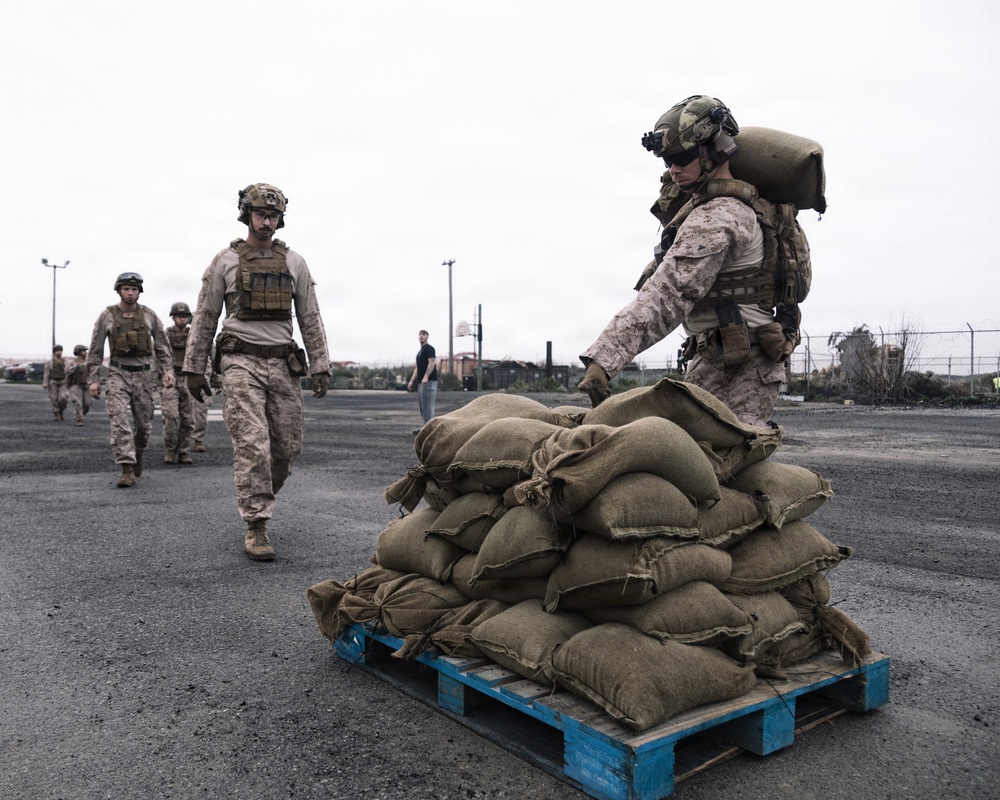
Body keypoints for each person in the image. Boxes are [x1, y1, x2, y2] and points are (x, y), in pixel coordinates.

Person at [578, 95, 791, 427]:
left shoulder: (721, 216)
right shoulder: (704, 209)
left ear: (717, 147)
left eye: (683, 158)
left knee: (713, 468)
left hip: (742, 372)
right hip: (717, 361)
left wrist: (605, 359)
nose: (674, 169)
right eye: (667, 161)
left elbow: (669, 293)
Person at [182, 182, 331, 562]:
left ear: (281, 219)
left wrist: (321, 365)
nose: (266, 221)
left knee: (285, 449)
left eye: (273, 215)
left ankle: (258, 496)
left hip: (282, 363)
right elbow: (205, 315)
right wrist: (193, 368)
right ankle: (257, 524)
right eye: (260, 214)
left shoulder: (294, 262)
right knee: (253, 444)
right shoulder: (225, 262)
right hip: (239, 362)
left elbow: (309, 315)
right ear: (246, 214)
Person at [86, 272, 174, 487]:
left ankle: (138, 454)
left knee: (144, 426)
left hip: (144, 375)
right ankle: (126, 467)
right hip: (118, 373)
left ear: (139, 292)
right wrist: (94, 379)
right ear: (119, 290)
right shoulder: (107, 316)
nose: (130, 293)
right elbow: (95, 350)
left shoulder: (149, 315)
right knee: (119, 419)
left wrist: (168, 370)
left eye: (134, 289)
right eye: (126, 289)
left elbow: (162, 346)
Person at [161, 301, 196, 465]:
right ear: (173, 317)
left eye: (184, 316)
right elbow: (158, 356)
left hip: (188, 378)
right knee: (171, 416)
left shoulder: (194, 335)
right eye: (178, 316)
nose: (182, 319)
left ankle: (184, 451)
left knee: (188, 419)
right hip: (171, 378)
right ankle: (170, 449)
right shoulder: (165, 336)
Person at [407, 329, 437, 427]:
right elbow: (418, 368)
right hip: (421, 383)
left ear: (427, 337)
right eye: (420, 334)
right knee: (423, 407)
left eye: (423, 334)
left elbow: (432, 362)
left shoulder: (429, 349)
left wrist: (426, 376)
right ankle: (425, 428)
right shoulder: (420, 352)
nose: (421, 336)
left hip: (429, 381)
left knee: (428, 406)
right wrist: (411, 381)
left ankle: (428, 430)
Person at [65, 344, 93, 426]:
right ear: (79, 352)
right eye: (84, 351)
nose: (85, 352)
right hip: (75, 385)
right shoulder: (72, 362)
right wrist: (75, 366)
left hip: (86, 385)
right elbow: (67, 372)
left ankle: (81, 414)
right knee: (78, 403)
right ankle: (79, 419)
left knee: (87, 404)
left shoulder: (88, 362)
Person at [42, 345, 70, 421]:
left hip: (63, 381)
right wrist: (45, 383)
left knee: (63, 398)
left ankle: (61, 410)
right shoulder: (50, 363)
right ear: (54, 352)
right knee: (53, 398)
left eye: (60, 350)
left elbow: (68, 372)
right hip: (53, 381)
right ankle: (56, 413)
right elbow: (47, 373)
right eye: (57, 351)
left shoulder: (65, 362)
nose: (59, 352)